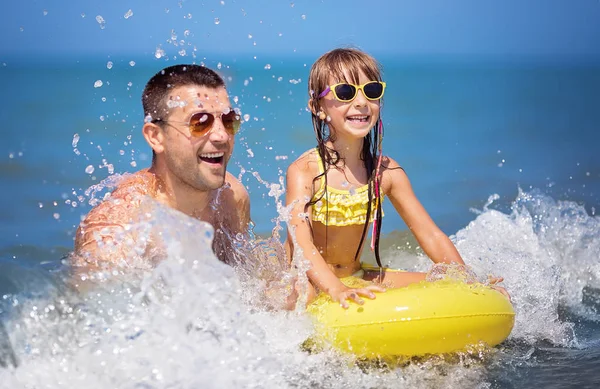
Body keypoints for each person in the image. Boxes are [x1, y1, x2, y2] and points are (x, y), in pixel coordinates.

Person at [285, 48, 507, 308]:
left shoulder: (387, 173)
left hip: (356, 275)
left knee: (444, 281)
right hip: (308, 277)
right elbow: (301, 242)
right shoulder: (305, 170)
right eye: (345, 92)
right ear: (318, 107)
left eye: (371, 91)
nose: (360, 102)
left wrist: (466, 280)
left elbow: (431, 235)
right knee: (302, 295)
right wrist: (334, 288)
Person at [72, 64, 250, 272]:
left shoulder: (232, 198)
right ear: (156, 137)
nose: (221, 136)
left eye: (229, 121)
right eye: (200, 122)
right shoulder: (118, 231)